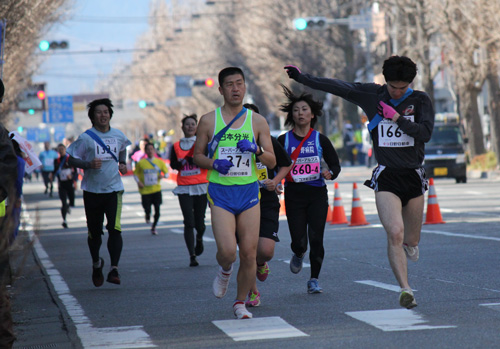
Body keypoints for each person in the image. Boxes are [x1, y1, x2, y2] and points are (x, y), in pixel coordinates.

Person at [284, 55, 434, 308]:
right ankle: (405, 289)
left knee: (412, 240)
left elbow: (426, 133)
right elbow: (339, 86)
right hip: (387, 175)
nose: (397, 92)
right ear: (385, 81)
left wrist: (396, 117)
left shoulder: (420, 100)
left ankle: (411, 244)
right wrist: (302, 78)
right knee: (394, 233)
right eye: (393, 87)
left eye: (403, 87)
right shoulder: (372, 95)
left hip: (414, 175)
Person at [193, 67, 276, 319]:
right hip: (221, 193)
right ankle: (225, 269)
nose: (235, 88)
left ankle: (240, 303)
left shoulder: (257, 121)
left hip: (249, 191)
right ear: (221, 90)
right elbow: (197, 156)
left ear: (245, 87)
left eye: (239, 83)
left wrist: (256, 150)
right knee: (228, 251)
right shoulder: (208, 120)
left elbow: (272, 161)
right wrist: (214, 163)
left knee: (250, 253)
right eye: (230, 84)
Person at [277, 85, 341, 294]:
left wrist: (330, 174)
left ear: (312, 114)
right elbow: (272, 166)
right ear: (291, 115)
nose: (300, 113)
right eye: (296, 110)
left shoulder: (320, 139)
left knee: (316, 238)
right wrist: (275, 181)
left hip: (316, 194)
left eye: (304, 109)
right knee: (299, 241)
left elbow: (335, 165)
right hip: (294, 195)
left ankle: (314, 279)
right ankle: (298, 252)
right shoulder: (283, 140)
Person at [67, 98, 131, 287]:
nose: (103, 115)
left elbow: (122, 149)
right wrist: (87, 164)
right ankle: (96, 263)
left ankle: (114, 269)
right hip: (92, 191)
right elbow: (71, 160)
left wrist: (122, 163)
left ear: (110, 114)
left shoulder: (118, 135)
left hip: (114, 190)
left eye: (106, 112)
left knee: (115, 228)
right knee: (95, 233)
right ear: (92, 117)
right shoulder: (86, 138)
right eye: (98, 112)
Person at [242, 103, 293, 308]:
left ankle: (262, 263)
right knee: (248, 250)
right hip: (242, 199)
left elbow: (286, 163)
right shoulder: (230, 142)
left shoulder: (269, 141)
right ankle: (253, 292)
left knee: (265, 251)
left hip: (267, 198)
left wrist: (277, 181)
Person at [169, 114, 208, 267]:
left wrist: (197, 160)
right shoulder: (176, 146)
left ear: (197, 127)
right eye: (187, 124)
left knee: (200, 223)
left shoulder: (203, 143)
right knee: (188, 222)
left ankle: (199, 238)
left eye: (193, 124)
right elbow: (172, 164)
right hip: (184, 187)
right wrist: (180, 164)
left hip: (201, 186)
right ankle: (192, 255)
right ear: (182, 127)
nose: (190, 126)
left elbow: (208, 161)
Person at [133, 142, 169, 235]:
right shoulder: (141, 163)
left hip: (156, 190)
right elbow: (135, 174)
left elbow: (167, 173)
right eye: (148, 149)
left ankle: (154, 227)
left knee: (157, 210)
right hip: (145, 191)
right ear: (145, 151)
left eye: (151, 149)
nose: (150, 151)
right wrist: (139, 182)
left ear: (154, 150)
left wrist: (163, 176)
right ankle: (147, 214)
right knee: (147, 208)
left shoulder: (159, 162)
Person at [50, 144, 77, 229]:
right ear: (58, 151)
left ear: (65, 150)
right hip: (62, 185)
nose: (61, 151)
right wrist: (51, 175)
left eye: (62, 149)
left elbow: (75, 172)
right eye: (59, 149)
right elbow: (54, 171)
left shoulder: (70, 159)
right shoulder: (56, 161)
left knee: (72, 202)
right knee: (63, 203)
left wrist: (72, 176)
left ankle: (68, 206)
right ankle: (64, 220)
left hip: (69, 184)